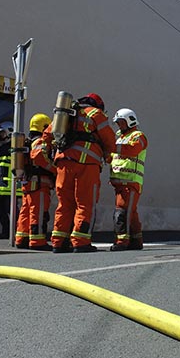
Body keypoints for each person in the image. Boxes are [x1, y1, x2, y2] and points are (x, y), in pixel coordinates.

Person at [48, 93, 116, 253]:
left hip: (63, 163)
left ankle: (58, 241)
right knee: (85, 203)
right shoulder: (96, 114)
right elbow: (110, 140)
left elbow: (49, 134)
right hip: (87, 164)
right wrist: (107, 154)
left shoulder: (68, 112)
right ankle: (81, 241)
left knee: (64, 204)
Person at [109, 108, 148, 251]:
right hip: (120, 183)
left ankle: (122, 242)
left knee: (122, 212)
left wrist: (112, 147)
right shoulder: (120, 138)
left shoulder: (138, 136)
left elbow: (132, 150)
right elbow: (114, 157)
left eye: (121, 122)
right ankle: (136, 241)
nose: (119, 125)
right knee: (131, 213)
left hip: (131, 182)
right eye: (118, 123)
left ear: (130, 121)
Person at [15, 113, 56, 250]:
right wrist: (55, 169)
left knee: (25, 211)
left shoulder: (27, 141)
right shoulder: (39, 142)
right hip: (39, 183)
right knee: (38, 212)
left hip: (28, 182)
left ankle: (21, 239)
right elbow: (39, 158)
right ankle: (37, 241)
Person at [0, 121, 14, 238]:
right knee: (1, 213)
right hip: (0, 187)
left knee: (13, 212)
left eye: (2, 134)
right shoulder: (0, 149)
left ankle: (16, 233)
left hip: (12, 187)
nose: (1, 137)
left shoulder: (16, 148)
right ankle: (6, 232)